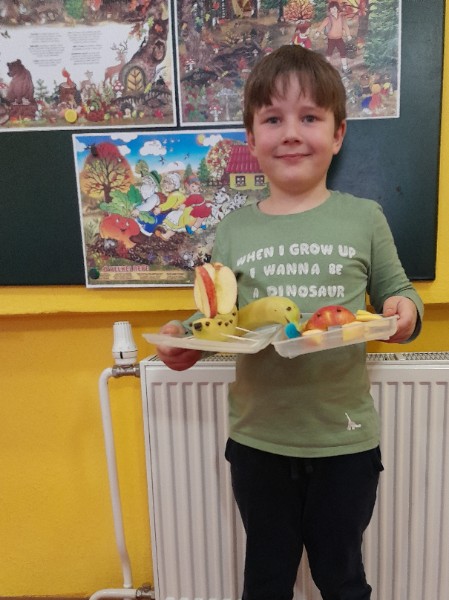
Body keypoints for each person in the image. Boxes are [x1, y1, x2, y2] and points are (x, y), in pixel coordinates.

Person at [156, 45, 423, 600]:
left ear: (338, 134)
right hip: (259, 440)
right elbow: (221, 314)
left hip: (343, 440)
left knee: (343, 579)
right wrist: (185, 337)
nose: (292, 134)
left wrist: (405, 312)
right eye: (273, 119)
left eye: (310, 117)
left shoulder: (365, 218)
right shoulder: (234, 229)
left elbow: (398, 292)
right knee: (266, 580)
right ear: (251, 139)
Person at [315, 1, 353, 74]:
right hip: (331, 39)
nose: (333, 11)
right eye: (331, 9)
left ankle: (345, 68)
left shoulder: (341, 18)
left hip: (339, 39)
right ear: (329, 10)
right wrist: (318, 32)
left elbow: (345, 26)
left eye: (334, 9)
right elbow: (322, 25)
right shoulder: (328, 18)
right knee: (329, 53)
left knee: (343, 52)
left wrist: (348, 35)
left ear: (338, 9)